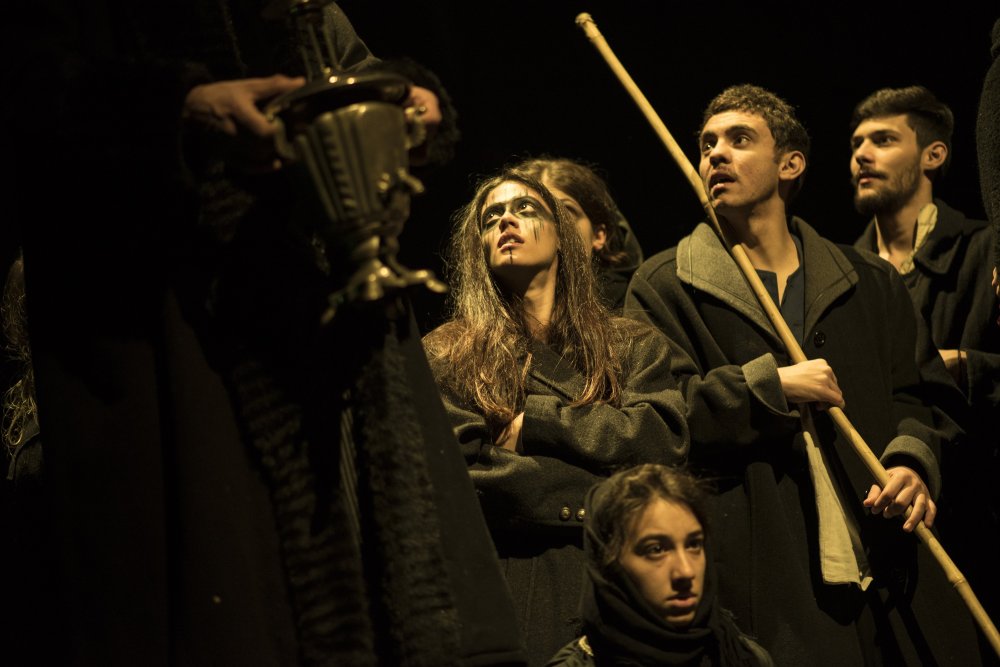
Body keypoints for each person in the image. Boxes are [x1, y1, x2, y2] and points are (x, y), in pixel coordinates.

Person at [5, 2, 526, 665]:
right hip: (170, 323)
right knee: (232, 595)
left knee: (389, 578)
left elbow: (345, 63)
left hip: (336, 317)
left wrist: (401, 101)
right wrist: (179, 110)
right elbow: (29, 84)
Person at [624, 84, 981, 666]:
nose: (716, 154)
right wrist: (770, 387)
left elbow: (921, 397)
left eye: (740, 139)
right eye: (707, 144)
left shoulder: (869, 280)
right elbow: (658, 418)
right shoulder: (665, 285)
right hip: (769, 582)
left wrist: (912, 463)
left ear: (789, 164)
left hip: (893, 572)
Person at [423, 171, 689, 666]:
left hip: (624, 583)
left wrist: (537, 424)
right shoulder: (447, 354)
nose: (506, 221)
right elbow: (462, 476)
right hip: (515, 577)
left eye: (525, 209)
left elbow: (661, 440)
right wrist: (604, 494)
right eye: (491, 218)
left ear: (562, 236)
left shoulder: (631, 343)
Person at [850, 85, 1000, 622]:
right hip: (890, 517)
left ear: (933, 155)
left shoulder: (986, 250)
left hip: (982, 516)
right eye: (856, 143)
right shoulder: (846, 276)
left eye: (883, 140)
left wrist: (965, 366)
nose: (862, 155)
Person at [547, 463, 773, 667]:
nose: (685, 571)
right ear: (611, 566)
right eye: (656, 550)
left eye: (694, 545)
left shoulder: (743, 658)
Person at [509, 157, 644, 312]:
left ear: (598, 236)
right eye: (530, 212)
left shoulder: (634, 307)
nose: (548, 225)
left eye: (565, 213)